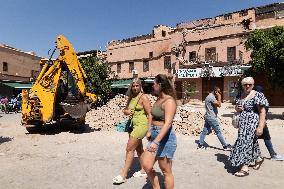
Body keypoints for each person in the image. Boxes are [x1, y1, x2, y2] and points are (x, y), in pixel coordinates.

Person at [141, 74, 177, 189]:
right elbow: (151, 115)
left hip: (165, 138)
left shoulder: (169, 101)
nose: (152, 86)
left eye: (154, 83)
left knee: (166, 171)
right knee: (146, 164)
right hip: (155, 134)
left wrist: (156, 142)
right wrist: (149, 130)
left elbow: (168, 124)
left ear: (160, 85)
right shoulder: (158, 99)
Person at [113, 78, 152, 184]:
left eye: (137, 86)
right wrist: (126, 112)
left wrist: (149, 130)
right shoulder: (131, 97)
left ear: (140, 86)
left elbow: (150, 114)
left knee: (129, 149)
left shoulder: (143, 97)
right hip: (133, 126)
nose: (135, 88)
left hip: (141, 126)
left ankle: (123, 175)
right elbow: (125, 110)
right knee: (139, 149)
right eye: (133, 86)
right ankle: (144, 170)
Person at [229, 77, 267, 177]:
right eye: (245, 84)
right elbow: (236, 107)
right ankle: (258, 158)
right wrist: (237, 108)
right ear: (243, 85)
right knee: (251, 142)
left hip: (252, 123)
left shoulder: (257, 95)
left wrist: (260, 127)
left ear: (253, 85)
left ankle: (244, 167)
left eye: (250, 84)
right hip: (242, 124)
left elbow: (262, 111)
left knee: (244, 142)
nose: (248, 86)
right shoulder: (240, 95)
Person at [254, 85, 283, 161]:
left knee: (253, 139)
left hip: (254, 122)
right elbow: (264, 112)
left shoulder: (253, 98)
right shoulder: (263, 99)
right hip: (261, 122)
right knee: (266, 138)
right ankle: (272, 155)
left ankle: (270, 154)